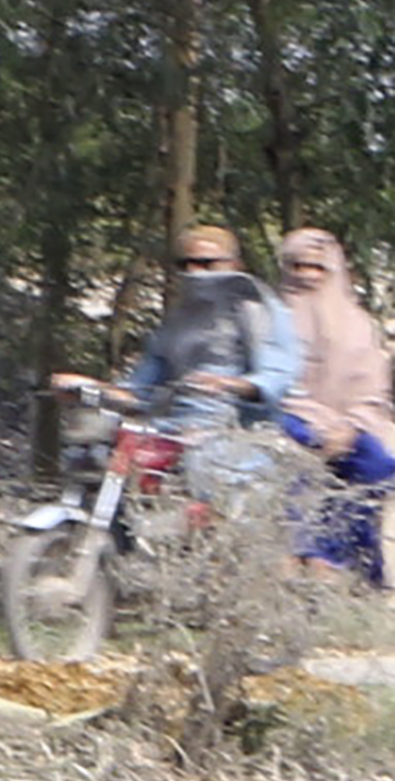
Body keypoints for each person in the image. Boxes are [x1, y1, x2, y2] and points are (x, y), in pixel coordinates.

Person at [59, 222, 302, 443]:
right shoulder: (178, 318)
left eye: (207, 263)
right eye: (186, 264)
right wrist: (91, 389)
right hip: (174, 426)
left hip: (240, 431)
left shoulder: (257, 308)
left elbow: (279, 375)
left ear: (235, 264)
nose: (195, 272)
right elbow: (142, 388)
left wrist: (230, 384)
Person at [274, 228, 395, 583]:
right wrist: (315, 422)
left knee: (378, 465)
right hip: (290, 418)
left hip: (352, 423)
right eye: (297, 267)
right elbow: (275, 380)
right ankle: (309, 556)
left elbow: (374, 388)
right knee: (298, 461)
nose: (306, 276)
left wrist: (350, 425)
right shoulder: (271, 316)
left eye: (316, 268)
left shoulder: (359, 324)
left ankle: (348, 561)